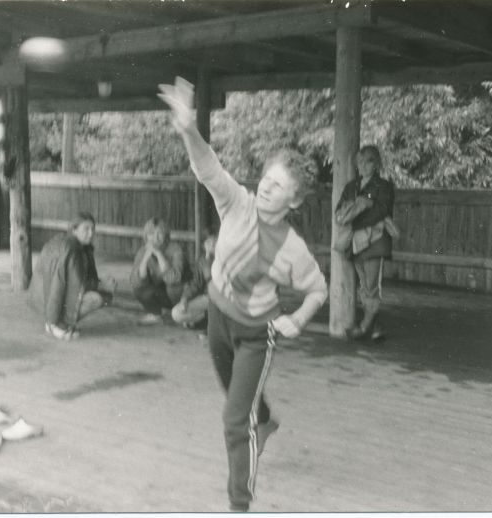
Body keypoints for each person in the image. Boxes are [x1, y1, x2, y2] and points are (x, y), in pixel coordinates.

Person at [159, 76, 328, 513]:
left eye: (280, 187)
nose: (267, 188)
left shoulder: (292, 248)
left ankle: (239, 504)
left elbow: (317, 288)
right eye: (267, 179)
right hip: (217, 318)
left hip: (256, 334)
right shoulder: (237, 203)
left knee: (235, 420)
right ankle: (266, 418)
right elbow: (208, 167)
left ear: (294, 201)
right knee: (240, 399)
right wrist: (187, 128)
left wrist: (299, 317)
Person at [334, 145, 395, 342]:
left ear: (376, 163)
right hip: (356, 241)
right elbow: (339, 212)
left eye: (368, 161)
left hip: (375, 241)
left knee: (371, 285)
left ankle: (363, 326)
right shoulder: (351, 186)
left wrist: (357, 211)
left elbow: (381, 211)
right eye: (360, 161)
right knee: (364, 285)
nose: (363, 165)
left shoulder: (384, 186)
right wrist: (359, 207)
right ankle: (376, 328)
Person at [32, 212, 117, 340]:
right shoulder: (72, 249)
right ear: (74, 230)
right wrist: (102, 285)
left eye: (93, 229)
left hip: (44, 297)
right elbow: (77, 283)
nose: (91, 233)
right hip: (49, 297)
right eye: (86, 229)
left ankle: (53, 322)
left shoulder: (72, 243)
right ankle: (58, 325)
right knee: (96, 299)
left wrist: (100, 283)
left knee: (99, 293)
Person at [130, 217, 188, 325]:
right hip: (163, 295)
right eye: (151, 234)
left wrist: (158, 254)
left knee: (172, 287)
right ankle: (155, 314)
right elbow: (136, 281)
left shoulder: (176, 249)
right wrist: (145, 259)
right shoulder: (142, 251)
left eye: (160, 233)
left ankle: (181, 315)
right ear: (146, 236)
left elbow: (174, 278)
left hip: (179, 295)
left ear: (166, 235)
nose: (155, 238)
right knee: (139, 288)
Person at [171, 232, 216, 329]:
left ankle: (209, 324)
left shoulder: (225, 260)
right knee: (176, 313)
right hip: (206, 299)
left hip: (221, 300)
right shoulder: (202, 261)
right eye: (209, 242)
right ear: (204, 245)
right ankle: (205, 321)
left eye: (215, 242)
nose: (212, 245)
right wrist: (185, 298)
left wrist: (208, 275)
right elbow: (196, 284)